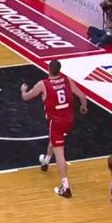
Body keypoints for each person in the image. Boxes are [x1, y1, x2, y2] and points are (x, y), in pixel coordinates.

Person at [20, 59, 88, 198]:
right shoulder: (67, 80)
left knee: (60, 154)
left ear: (48, 69)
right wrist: (83, 107)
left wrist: (23, 90)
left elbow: (26, 97)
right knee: (55, 140)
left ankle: (65, 187)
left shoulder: (43, 84)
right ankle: (45, 162)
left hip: (56, 121)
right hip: (68, 120)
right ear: (59, 70)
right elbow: (82, 96)